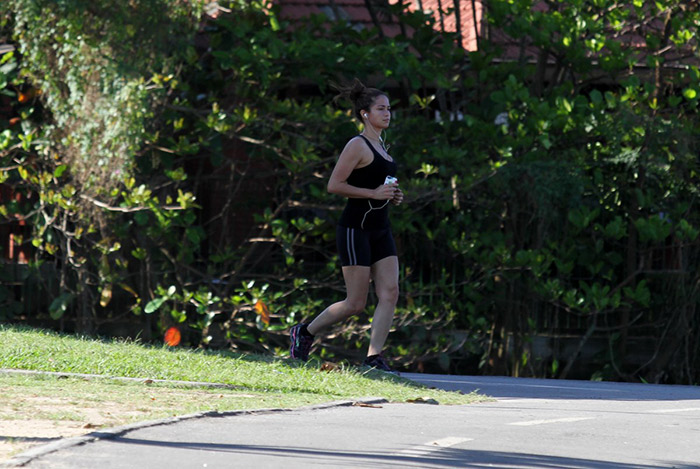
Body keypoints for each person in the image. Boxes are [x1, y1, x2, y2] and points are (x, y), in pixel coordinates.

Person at [289, 78, 404, 372]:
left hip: (381, 228)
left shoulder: (383, 147)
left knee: (390, 292)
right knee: (355, 303)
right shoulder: (358, 144)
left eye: (389, 108)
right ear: (365, 113)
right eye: (380, 109)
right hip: (356, 229)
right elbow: (334, 185)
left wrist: (391, 195)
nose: (387, 113)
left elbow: (376, 184)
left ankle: (374, 357)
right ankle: (305, 332)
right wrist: (373, 193)